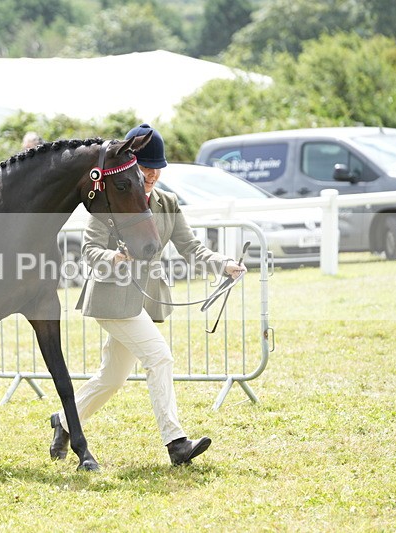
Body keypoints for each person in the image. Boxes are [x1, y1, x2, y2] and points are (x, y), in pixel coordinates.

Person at [49, 123, 247, 466]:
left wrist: (224, 263)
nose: (153, 175)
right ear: (129, 165)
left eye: (157, 169)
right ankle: (176, 443)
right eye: (146, 168)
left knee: (112, 378)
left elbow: (192, 248)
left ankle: (64, 422)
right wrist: (115, 257)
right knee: (160, 357)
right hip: (111, 301)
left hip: (141, 300)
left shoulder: (168, 203)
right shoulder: (110, 198)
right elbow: (90, 250)